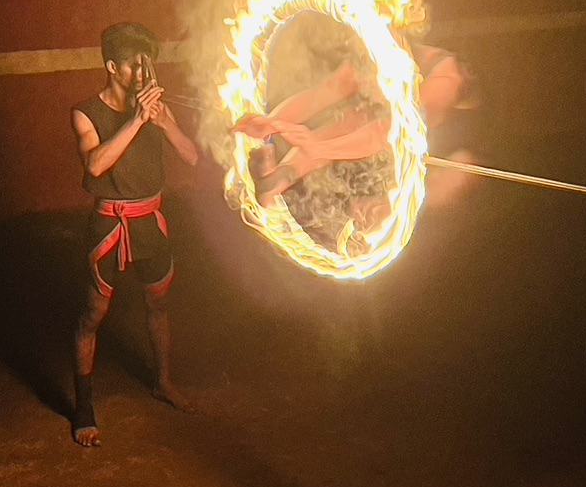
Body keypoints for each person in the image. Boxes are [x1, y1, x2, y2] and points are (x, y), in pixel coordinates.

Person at [70, 22, 199, 447]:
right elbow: (94, 166)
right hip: (110, 222)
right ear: (111, 67)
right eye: (134, 66)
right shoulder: (86, 112)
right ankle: (84, 404)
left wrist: (162, 123)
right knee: (93, 313)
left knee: (159, 304)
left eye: (148, 65)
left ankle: (163, 381)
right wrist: (137, 120)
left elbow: (191, 155)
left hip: (150, 220)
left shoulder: (155, 107)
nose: (143, 74)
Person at [234, 42, 472, 207]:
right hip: (392, 63)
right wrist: (276, 126)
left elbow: (381, 130)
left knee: (347, 115)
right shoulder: (441, 80)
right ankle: (271, 150)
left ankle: (277, 171)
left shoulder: (443, 80)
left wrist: (319, 148)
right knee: (346, 101)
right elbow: (379, 130)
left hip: (396, 81)